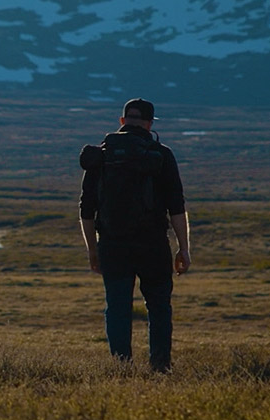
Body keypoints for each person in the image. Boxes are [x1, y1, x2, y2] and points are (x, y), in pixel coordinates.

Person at [78, 98, 190, 373]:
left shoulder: (101, 155)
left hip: (113, 245)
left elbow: (86, 209)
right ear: (150, 124)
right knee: (159, 306)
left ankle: (121, 367)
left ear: (122, 121)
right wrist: (183, 248)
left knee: (117, 307)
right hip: (153, 244)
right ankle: (160, 365)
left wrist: (93, 250)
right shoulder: (161, 154)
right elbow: (176, 206)